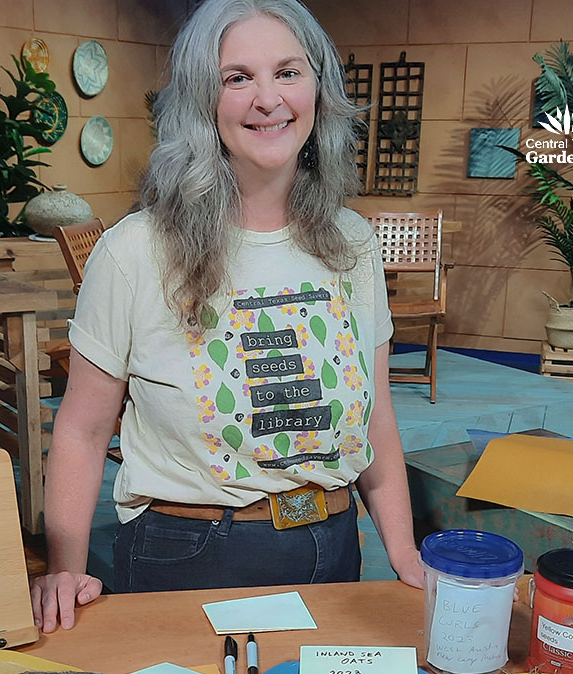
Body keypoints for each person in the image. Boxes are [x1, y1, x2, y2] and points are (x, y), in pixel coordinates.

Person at [31, 0, 424, 633]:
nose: (268, 99)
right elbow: (80, 430)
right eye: (237, 77)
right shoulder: (135, 250)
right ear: (201, 103)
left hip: (333, 541)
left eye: (288, 72)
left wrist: (401, 552)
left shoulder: (351, 241)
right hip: (191, 552)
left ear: (319, 88)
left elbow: (376, 411)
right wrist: (65, 568)